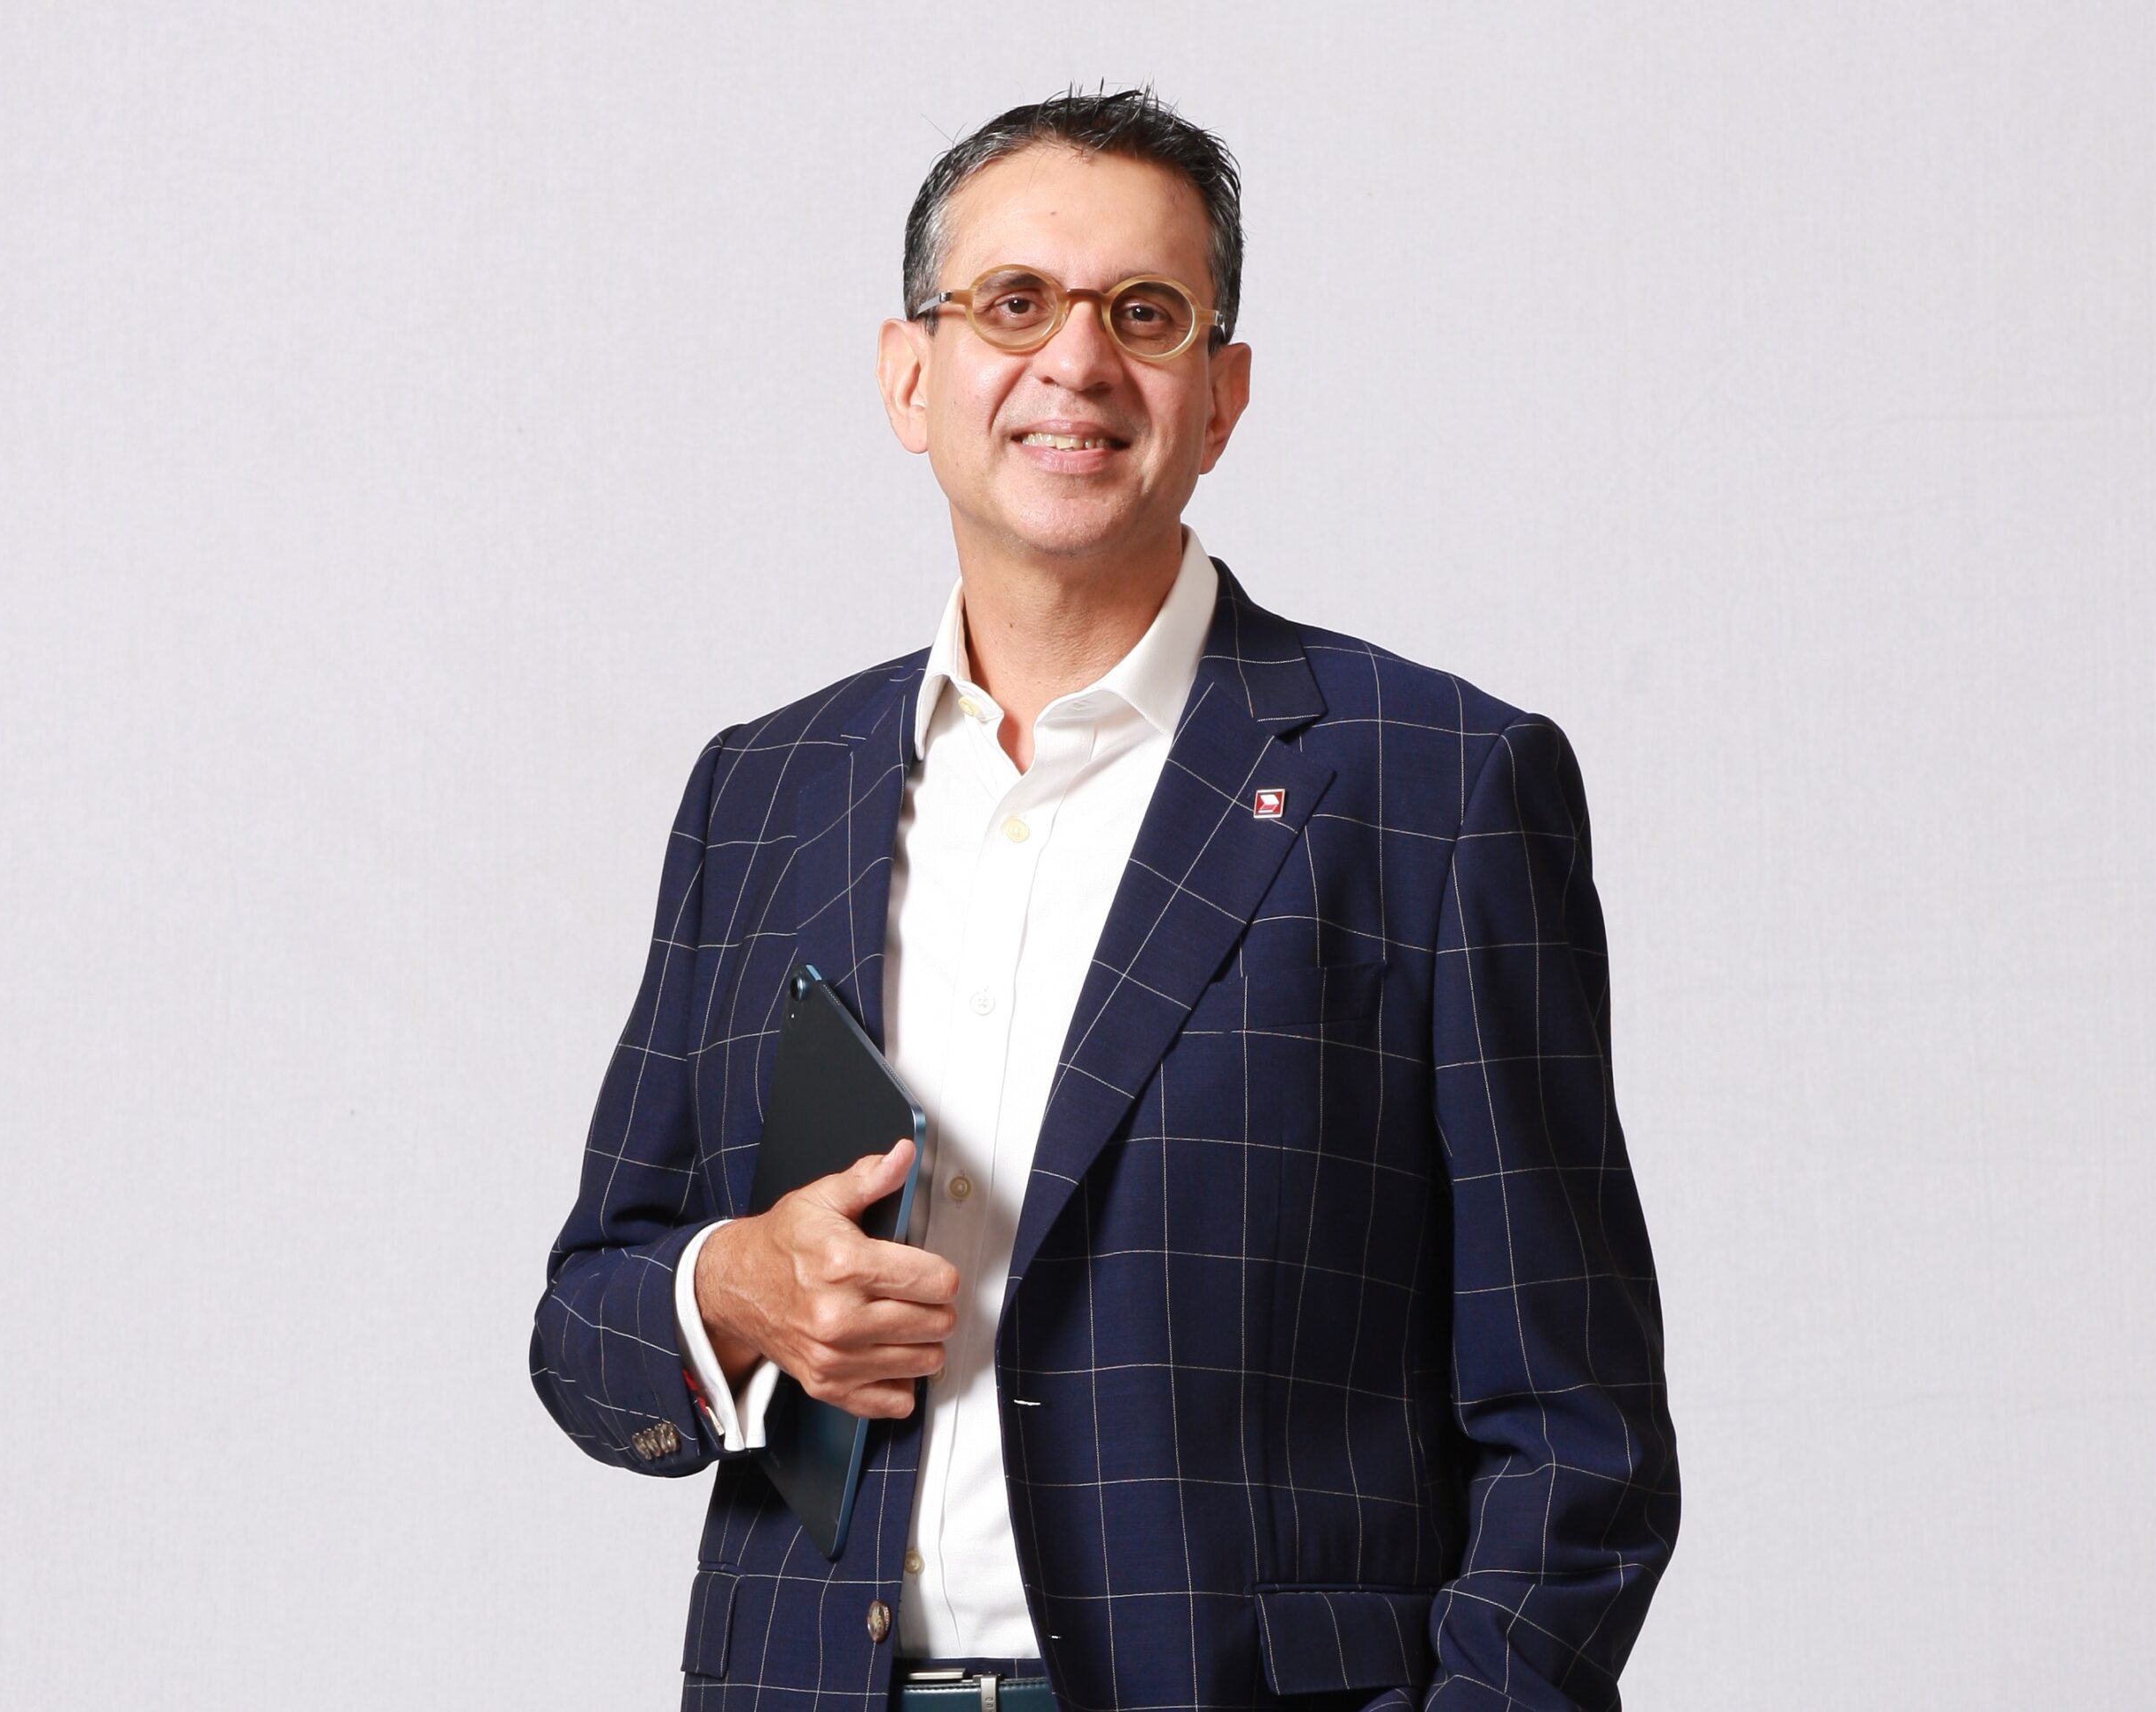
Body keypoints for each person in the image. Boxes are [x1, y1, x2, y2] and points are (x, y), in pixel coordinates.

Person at [530, 87, 1680, 1711]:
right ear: (908, 374)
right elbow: (585, 1325)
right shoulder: (764, 793)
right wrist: (729, 1289)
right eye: (1013, 302)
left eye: (1145, 312)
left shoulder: (1435, 787)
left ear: (1222, 396)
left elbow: (1578, 1429)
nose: (1076, 359)